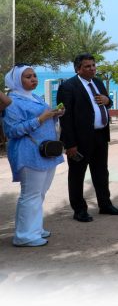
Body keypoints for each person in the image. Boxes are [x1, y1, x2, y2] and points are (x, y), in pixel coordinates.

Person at [58, 53, 118, 222]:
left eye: (93, 65)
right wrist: (70, 144)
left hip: (100, 136)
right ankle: (79, 210)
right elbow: (65, 118)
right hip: (79, 140)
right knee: (77, 174)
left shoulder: (98, 82)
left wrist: (107, 100)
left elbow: (106, 103)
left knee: (101, 172)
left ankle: (105, 204)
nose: (92, 69)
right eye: (87, 66)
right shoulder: (68, 87)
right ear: (78, 69)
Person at [3, 65, 65, 246]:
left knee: (40, 193)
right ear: (17, 80)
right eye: (28, 76)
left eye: (34, 75)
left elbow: (44, 118)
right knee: (30, 195)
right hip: (28, 153)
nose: (33, 79)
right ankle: (24, 236)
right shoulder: (12, 102)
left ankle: (34, 228)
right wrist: (41, 118)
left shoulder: (35, 97)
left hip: (46, 152)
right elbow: (12, 130)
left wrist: (55, 114)